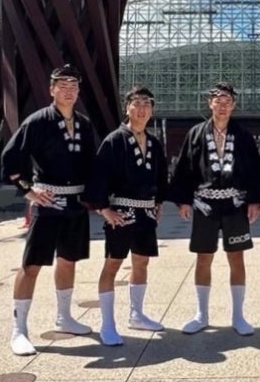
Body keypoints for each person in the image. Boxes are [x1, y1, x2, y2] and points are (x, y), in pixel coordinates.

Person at [0, 64, 99, 356]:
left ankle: (64, 317)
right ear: (52, 89)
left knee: (68, 261)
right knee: (32, 265)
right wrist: (29, 190)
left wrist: (98, 199)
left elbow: (93, 164)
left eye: (73, 86)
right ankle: (19, 329)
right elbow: (11, 158)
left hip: (75, 203)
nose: (69, 91)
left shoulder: (84, 124)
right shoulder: (38, 121)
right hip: (48, 202)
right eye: (63, 86)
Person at [170, 82, 260, 335]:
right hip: (205, 204)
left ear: (234, 105)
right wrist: (183, 200)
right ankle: (201, 314)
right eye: (218, 101)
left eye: (227, 102)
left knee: (237, 257)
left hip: (235, 204)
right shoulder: (196, 133)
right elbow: (185, 167)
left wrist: (255, 201)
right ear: (210, 104)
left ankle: (238, 316)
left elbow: (255, 169)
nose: (222, 106)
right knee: (204, 258)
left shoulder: (243, 135)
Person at [87, 85, 170, 346]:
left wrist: (159, 202)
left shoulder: (154, 143)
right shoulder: (114, 140)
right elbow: (98, 176)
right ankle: (107, 324)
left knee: (142, 262)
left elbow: (161, 176)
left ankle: (137, 314)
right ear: (127, 108)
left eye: (147, 103)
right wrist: (104, 209)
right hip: (121, 211)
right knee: (113, 264)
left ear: (152, 110)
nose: (142, 109)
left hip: (146, 212)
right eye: (137, 103)